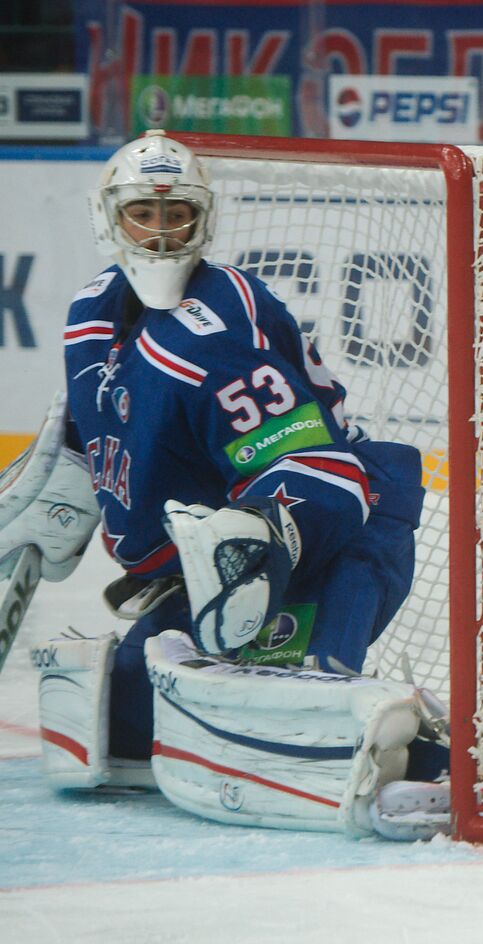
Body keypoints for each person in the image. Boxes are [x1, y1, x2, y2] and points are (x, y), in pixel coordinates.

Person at [0, 130, 448, 839]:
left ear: (200, 219)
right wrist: (56, 494)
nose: (157, 230)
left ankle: (422, 754)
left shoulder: (217, 328)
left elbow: (320, 474)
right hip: (206, 574)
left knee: (297, 717)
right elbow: (99, 433)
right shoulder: (87, 318)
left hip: (337, 542)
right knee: (110, 727)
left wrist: (265, 541)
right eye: (140, 214)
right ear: (108, 218)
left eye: (174, 213)